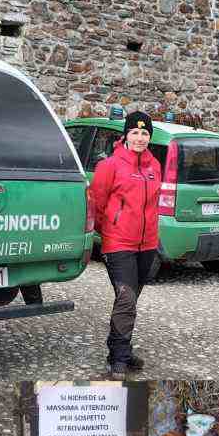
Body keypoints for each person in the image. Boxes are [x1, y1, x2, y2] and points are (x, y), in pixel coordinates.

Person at [89, 111, 161, 380]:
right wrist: (109, 230)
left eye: (145, 133)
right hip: (119, 243)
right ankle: (119, 357)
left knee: (128, 302)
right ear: (126, 135)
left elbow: (153, 205)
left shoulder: (155, 166)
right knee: (126, 298)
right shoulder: (110, 165)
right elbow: (97, 203)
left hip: (148, 245)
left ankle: (120, 347)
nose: (140, 138)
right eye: (135, 132)